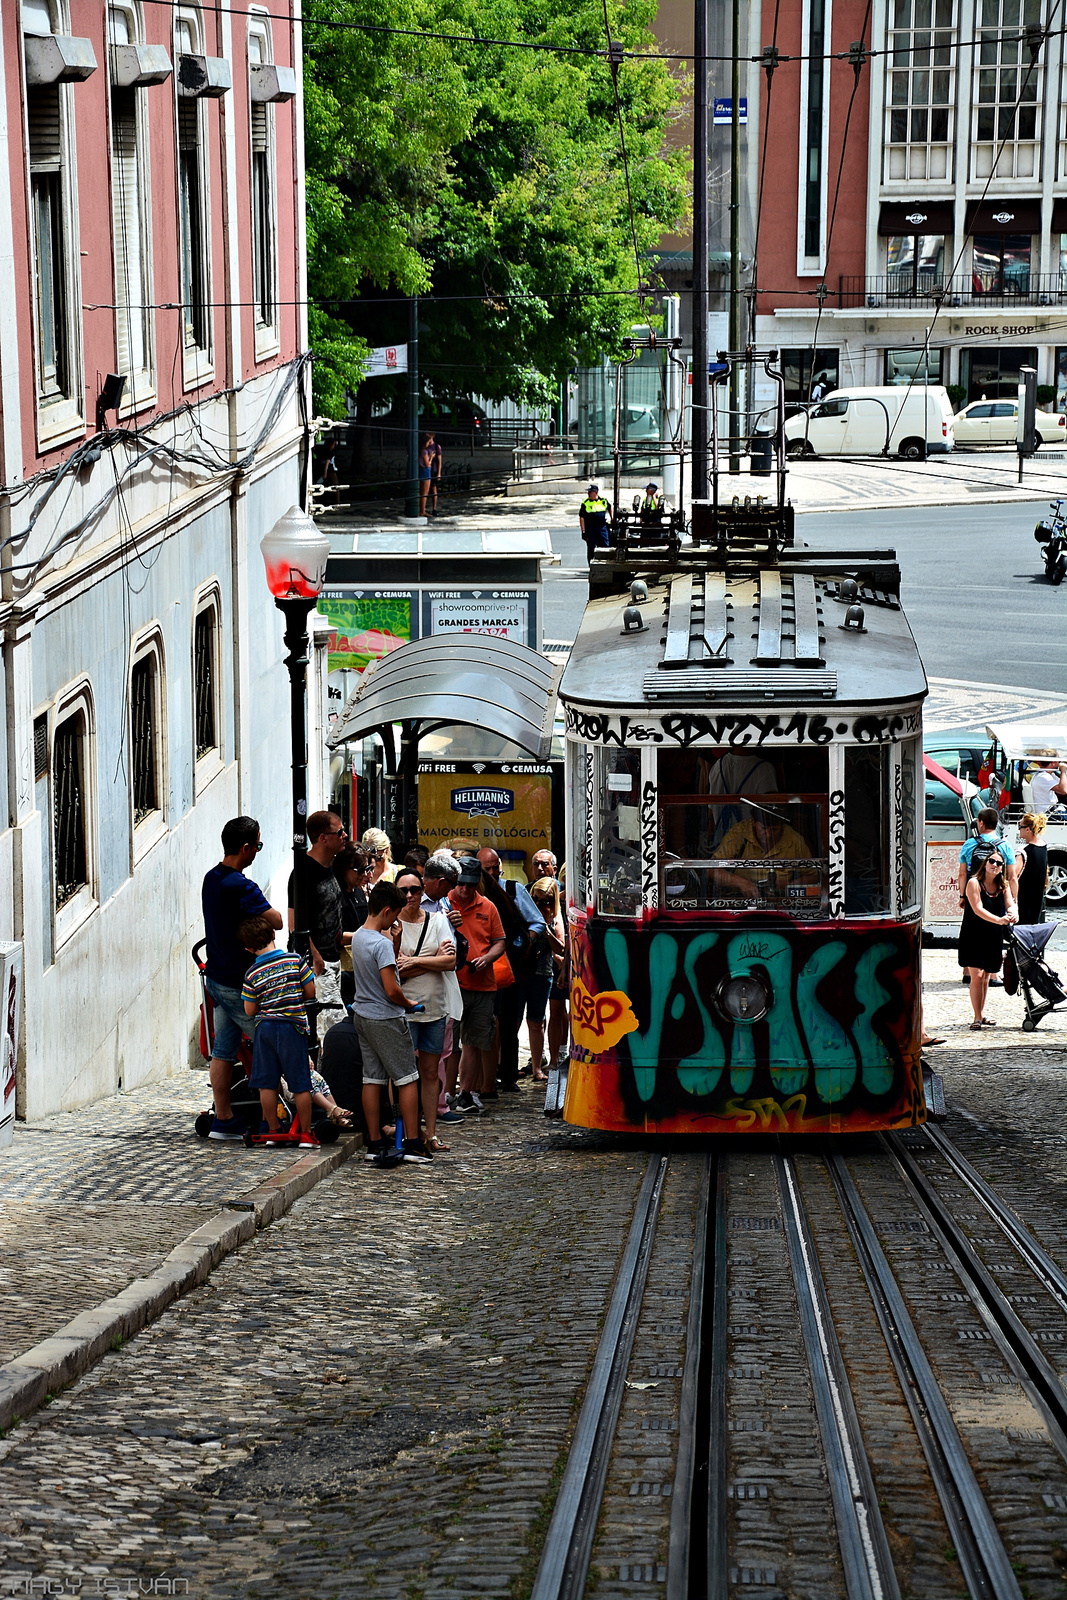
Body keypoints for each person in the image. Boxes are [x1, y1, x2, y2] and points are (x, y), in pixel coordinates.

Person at [201, 816, 283, 1141]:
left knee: (223, 1049)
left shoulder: (211, 878)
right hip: (239, 984)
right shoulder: (241, 885)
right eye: (258, 847)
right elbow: (276, 921)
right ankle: (270, 1122)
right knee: (270, 1046)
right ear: (246, 848)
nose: (258, 853)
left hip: (216, 977)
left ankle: (224, 1120)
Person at [350, 881, 432, 1164]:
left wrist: (393, 940)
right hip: (386, 1017)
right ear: (386, 911)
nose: (396, 920)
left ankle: (373, 1142)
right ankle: (412, 1143)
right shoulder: (381, 943)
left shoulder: (359, 936)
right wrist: (410, 1004)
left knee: (372, 1078)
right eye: (394, 915)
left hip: (363, 1015)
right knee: (407, 1078)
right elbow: (391, 989)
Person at [240, 915, 317, 1144]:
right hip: (292, 1028)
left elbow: (250, 1010)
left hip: (265, 1030)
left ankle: (273, 1130)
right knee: (300, 1082)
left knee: (266, 1081)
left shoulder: (251, 974)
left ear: (248, 948)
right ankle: (305, 1132)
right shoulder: (295, 961)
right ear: (273, 934)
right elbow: (310, 992)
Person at [395, 869, 457, 1152]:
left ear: (423, 891)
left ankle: (431, 1132)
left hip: (434, 1007)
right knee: (405, 1073)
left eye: (415, 890)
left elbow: (450, 962)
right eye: (403, 890)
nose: (409, 895)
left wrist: (415, 961)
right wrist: (432, 959)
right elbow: (394, 966)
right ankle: (410, 1132)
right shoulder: (393, 924)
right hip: (403, 1008)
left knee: (430, 1073)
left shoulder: (438, 920)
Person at [477, 849, 545, 1093]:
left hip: (511, 966)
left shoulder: (514, 890)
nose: (493, 872)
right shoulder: (472, 894)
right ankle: (485, 1076)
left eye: (496, 867)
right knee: (485, 1021)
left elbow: (537, 921)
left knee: (509, 1020)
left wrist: (525, 942)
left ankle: (507, 1075)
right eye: (488, 869)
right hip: (481, 966)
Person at [450, 857, 506, 1113]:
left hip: (482, 985)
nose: (464, 889)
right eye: (460, 883)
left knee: (474, 1041)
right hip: (453, 983)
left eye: (470, 885)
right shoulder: (443, 904)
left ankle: (465, 1093)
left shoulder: (488, 907)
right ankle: (445, 1094)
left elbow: (499, 941)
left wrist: (487, 958)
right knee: (449, 1043)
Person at [289, 811, 348, 1017]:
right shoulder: (303, 871)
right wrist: (314, 955)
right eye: (339, 832)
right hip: (317, 963)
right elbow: (293, 921)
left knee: (330, 1024)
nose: (345, 835)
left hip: (332, 958)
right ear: (323, 838)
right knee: (332, 1023)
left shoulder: (329, 866)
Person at [958, 848, 1017, 1029]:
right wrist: (999, 920)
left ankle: (981, 1014)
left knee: (986, 977)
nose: (995, 865)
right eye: (992, 861)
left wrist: (1013, 913)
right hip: (973, 934)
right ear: (985, 863)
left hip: (993, 935)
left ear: (1002, 868)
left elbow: (1010, 903)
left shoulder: (1002, 885)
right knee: (976, 975)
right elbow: (977, 909)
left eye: (999, 863)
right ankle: (976, 1017)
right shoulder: (974, 883)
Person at [711, 808, 812, 900]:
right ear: (753, 822)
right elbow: (712, 870)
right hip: (739, 899)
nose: (768, 835)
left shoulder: (794, 840)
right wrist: (741, 883)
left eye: (774, 829)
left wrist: (790, 885)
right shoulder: (738, 833)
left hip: (780, 901)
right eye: (763, 828)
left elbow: (813, 876)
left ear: (782, 825)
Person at [526, 878, 566, 1082]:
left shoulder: (555, 917)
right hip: (522, 971)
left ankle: (537, 1068)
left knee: (537, 1020)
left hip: (542, 973)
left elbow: (561, 948)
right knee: (512, 1020)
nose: (540, 904)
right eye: (536, 899)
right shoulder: (523, 912)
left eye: (546, 901)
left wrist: (545, 927)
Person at [958, 808, 1017, 896]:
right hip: (998, 895)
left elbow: (962, 874)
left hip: (974, 894)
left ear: (981, 823)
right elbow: (1012, 877)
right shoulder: (1006, 846)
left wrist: (962, 896)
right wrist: (1014, 899)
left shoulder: (969, 844)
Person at [1015, 812, 1049, 925]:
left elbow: (1014, 875)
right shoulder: (1043, 845)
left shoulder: (1024, 850)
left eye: (1020, 826)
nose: (1019, 829)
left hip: (1024, 896)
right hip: (1038, 895)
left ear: (1028, 829)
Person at [579, 484, 611, 561]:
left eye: (590, 492)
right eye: (588, 492)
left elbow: (610, 508)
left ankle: (605, 564)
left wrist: (612, 519)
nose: (588, 494)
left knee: (605, 547)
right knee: (591, 548)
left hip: (602, 528)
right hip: (591, 529)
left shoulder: (603, 501)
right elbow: (581, 517)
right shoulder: (585, 503)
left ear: (596, 493)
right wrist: (583, 531)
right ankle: (591, 567)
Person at [418, 432, 436, 519]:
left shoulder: (421, 450)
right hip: (425, 471)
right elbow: (427, 464)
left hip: (423, 471)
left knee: (423, 492)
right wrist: (431, 457)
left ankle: (422, 510)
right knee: (425, 492)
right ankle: (422, 511)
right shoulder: (424, 451)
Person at [428, 434, 443, 515]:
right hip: (427, 468)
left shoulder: (436, 446)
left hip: (433, 469)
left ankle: (434, 508)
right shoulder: (425, 445)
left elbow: (439, 461)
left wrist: (439, 472)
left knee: (434, 489)